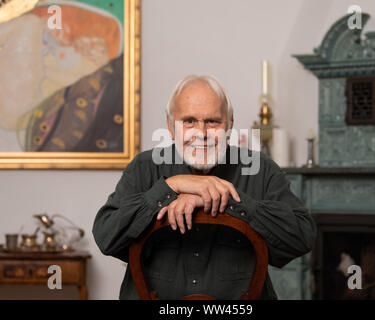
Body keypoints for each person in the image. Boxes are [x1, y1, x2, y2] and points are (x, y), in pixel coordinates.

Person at [92, 75, 317, 299]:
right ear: (171, 126)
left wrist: (227, 199)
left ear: (230, 124)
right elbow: (107, 237)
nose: (201, 133)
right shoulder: (144, 168)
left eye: (212, 122)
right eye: (189, 121)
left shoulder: (259, 168)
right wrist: (171, 187)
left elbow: (302, 237)